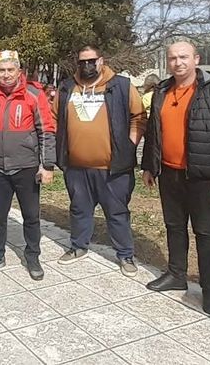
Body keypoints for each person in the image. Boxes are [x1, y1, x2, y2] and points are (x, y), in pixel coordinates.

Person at [141, 41, 210, 315]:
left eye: (183, 57)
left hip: (202, 176)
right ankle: (176, 274)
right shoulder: (162, 91)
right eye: (172, 58)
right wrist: (149, 166)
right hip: (168, 172)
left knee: (205, 232)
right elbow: (154, 131)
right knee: (174, 226)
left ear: (196, 59)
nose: (178, 63)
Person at [53, 45, 147, 276]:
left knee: (117, 212)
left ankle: (125, 255)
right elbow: (55, 118)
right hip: (76, 167)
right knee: (79, 209)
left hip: (113, 168)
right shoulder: (67, 87)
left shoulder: (121, 86)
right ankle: (78, 247)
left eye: (91, 60)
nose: (86, 65)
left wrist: (129, 145)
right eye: (81, 61)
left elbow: (139, 117)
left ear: (101, 60)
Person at [0, 50, 56, 281]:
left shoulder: (33, 94)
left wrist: (47, 165)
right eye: (2, 70)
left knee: (31, 216)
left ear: (19, 71)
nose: (6, 75)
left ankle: (33, 256)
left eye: (11, 70)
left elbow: (46, 130)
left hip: (27, 167)